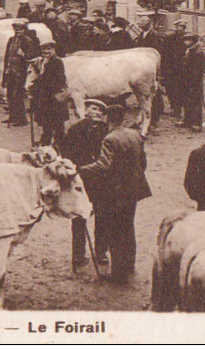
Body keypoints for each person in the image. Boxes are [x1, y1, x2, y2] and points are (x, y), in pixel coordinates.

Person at [78, 104, 151, 282]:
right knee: (128, 227)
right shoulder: (135, 135)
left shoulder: (110, 139)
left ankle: (118, 273)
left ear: (107, 118)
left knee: (116, 231)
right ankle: (129, 265)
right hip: (134, 189)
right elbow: (143, 162)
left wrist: (80, 170)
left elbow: (103, 165)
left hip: (116, 192)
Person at [56, 99, 109, 268]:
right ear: (85, 111)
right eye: (93, 109)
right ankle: (78, 254)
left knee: (102, 217)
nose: (96, 113)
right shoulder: (75, 130)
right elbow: (65, 153)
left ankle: (101, 252)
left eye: (100, 111)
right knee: (79, 217)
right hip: (82, 181)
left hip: (101, 181)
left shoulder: (107, 132)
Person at [28, 40, 70, 148]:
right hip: (45, 98)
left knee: (58, 124)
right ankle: (46, 143)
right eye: (43, 49)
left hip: (54, 98)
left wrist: (39, 87)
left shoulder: (57, 62)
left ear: (53, 50)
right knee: (46, 123)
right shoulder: (42, 62)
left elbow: (59, 80)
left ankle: (59, 145)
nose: (46, 51)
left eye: (48, 49)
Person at [1, 18, 39, 127]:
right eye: (16, 29)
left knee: (17, 95)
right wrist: (6, 69)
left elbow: (31, 57)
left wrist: (23, 55)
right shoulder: (11, 40)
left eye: (20, 29)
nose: (18, 31)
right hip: (10, 70)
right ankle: (12, 116)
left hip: (20, 71)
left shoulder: (27, 41)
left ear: (24, 30)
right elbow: (7, 56)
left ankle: (21, 119)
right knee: (9, 94)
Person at [179, 33, 205, 131]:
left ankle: (197, 123)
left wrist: (192, 81)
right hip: (186, 80)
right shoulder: (189, 50)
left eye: (188, 40)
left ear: (193, 41)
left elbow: (198, 70)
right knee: (186, 101)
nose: (185, 42)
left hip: (194, 82)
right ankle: (187, 121)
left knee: (195, 102)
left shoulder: (198, 53)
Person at [161, 20, 188, 117]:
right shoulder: (170, 37)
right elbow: (164, 53)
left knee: (179, 89)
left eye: (183, 27)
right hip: (170, 68)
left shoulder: (186, 38)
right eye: (180, 26)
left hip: (181, 69)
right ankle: (173, 107)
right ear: (176, 27)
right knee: (169, 89)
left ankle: (178, 109)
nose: (182, 29)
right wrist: (165, 68)